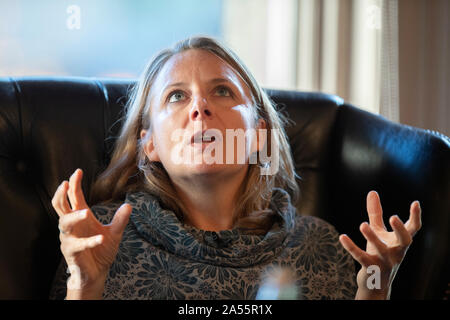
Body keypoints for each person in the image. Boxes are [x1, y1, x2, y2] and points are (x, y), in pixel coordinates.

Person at [49, 36, 422, 300]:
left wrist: (375, 288)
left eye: (222, 91)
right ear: (150, 144)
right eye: (176, 96)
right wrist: (85, 287)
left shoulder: (321, 246)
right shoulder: (95, 239)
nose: (199, 108)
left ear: (259, 135)